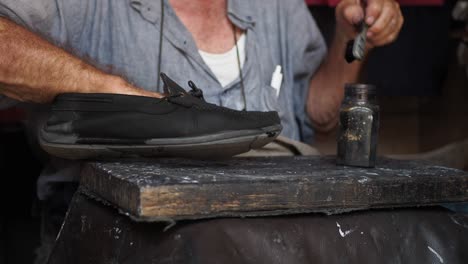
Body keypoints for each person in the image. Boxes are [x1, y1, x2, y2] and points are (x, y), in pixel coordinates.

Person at [0, 0, 403, 262]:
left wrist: (350, 41)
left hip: (281, 244)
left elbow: (318, 113)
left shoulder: (275, 7)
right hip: (126, 248)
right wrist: (112, 91)